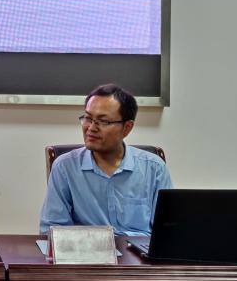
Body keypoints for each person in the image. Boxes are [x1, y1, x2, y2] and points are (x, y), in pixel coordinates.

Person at [39, 83, 172, 236]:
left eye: (103, 121)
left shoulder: (154, 168)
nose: (91, 128)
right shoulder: (65, 167)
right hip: (88, 250)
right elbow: (52, 231)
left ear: (127, 127)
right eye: (88, 118)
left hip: (140, 250)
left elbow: (168, 231)